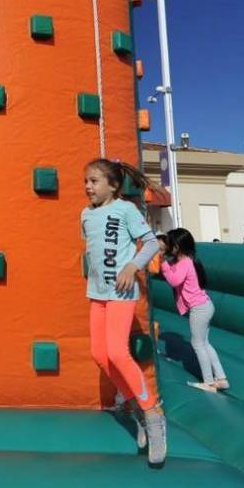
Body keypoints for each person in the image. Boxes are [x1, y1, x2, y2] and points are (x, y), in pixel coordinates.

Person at [81, 158, 167, 467]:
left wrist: (132, 265)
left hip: (121, 293)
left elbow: (151, 244)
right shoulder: (86, 215)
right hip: (98, 294)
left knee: (117, 352)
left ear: (113, 185)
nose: (88, 186)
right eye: (86, 181)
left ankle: (153, 414)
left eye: (94, 181)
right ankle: (136, 410)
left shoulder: (126, 210)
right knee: (100, 355)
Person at [161, 228, 229, 393]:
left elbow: (174, 281)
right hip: (205, 305)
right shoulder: (188, 260)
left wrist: (163, 263)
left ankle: (209, 382)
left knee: (197, 344)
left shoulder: (184, 262)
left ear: (176, 247)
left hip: (199, 308)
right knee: (204, 343)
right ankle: (221, 379)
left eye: (170, 244)